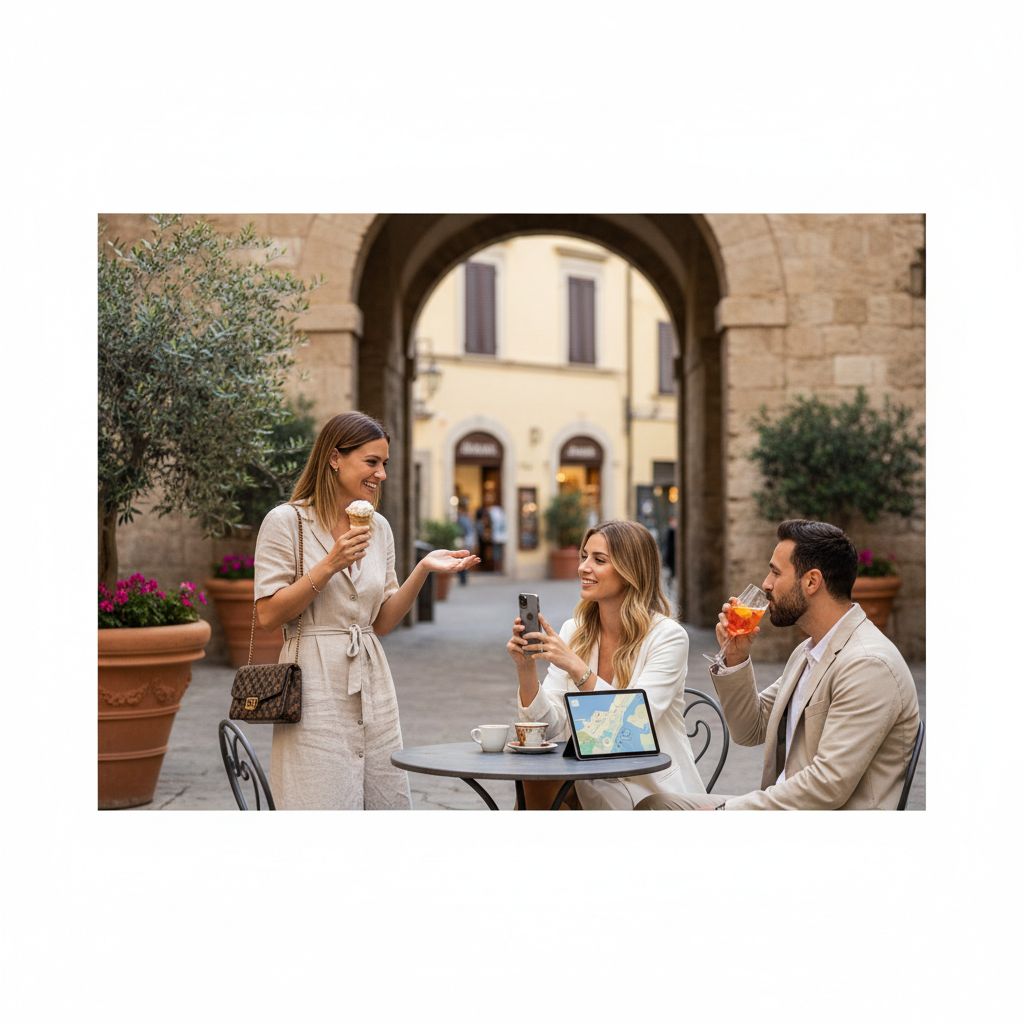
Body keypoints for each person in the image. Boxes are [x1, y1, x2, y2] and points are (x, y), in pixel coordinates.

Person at [254, 411, 479, 809]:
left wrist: (423, 570)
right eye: (372, 462)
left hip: (374, 683)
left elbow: (383, 622)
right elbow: (269, 615)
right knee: (319, 800)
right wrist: (330, 565)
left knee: (385, 800)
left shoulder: (380, 528)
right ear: (334, 458)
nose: (382, 474)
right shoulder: (287, 522)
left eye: (385, 463)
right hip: (313, 681)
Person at [637, 519, 920, 811]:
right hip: (785, 806)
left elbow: (827, 786)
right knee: (655, 805)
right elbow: (750, 729)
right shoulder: (808, 652)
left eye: (775, 572)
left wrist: (726, 811)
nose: (766, 583)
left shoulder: (867, 664)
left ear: (811, 581)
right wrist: (736, 657)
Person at [507, 519, 705, 809]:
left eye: (599, 560)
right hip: (587, 780)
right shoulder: (574, 631)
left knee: (544, 791)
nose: (583, 567)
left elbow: (632, 726)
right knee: (534, 778)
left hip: (647, 787)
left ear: (630, 571)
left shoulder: (667, 637)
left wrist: (577, 668)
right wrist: (525, 668)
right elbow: (547, 729)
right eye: (584, 556)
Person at [455, 500, 477, 586]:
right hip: (466, 540)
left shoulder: (462, 518)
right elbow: (470, 530)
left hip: (464, 540)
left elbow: (462, 530)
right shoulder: (467, 518)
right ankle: (463, 577)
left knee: (462, 558)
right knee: (464, 558)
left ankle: (462, 577)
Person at [485, 499, 507, 573]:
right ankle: (498, 568)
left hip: (496, 535)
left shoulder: (493, 512)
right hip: (502, 535)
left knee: (496, 552)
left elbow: (488, 523)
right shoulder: (501, 512)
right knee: (499, 552)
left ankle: (496, 568)